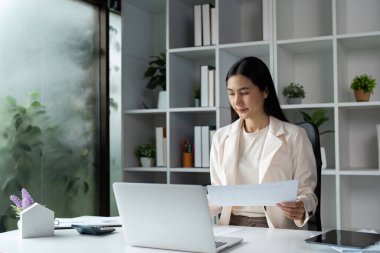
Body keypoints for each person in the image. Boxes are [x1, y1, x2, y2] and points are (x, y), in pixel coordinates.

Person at [209, 56, 317, 230]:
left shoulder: (294, 136)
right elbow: (218, 195)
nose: (237, 101)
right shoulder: (221, 138)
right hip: (231, 225)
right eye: (231, 93)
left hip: (275, 227)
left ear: (265, 91)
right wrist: (190, 209)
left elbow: (307, 191)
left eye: (244, 92)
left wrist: (301, 206)